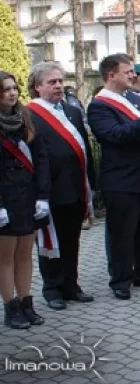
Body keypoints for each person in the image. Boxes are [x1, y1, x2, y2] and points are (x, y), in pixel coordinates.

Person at [88, 54, 140, 300]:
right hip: (121, 181)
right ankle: (121, 280)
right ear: (111, 75)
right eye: (128, 72)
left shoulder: (133, 99)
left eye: (133, 71)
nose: (134, 75)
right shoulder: (99, 106)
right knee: (122, 234)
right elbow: (114, 135)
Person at [27, 62, 96, 311]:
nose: (59, 86)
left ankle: (71, 285)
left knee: (71, 240)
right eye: (52, 82)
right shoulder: (30, 115)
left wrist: (91, 184)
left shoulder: (73, 112)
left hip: (75, 188)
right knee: (50, 243)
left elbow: (85, 151)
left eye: (60, 81)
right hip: (49, 191)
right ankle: (52, 288)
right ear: (37, 86)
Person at [0, 71, 51, 329]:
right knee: (5, 257)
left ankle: (26, 302)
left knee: (25, 254)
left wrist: (42, 196)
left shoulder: (26, 118)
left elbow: (41, 159)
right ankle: (11, 308)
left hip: (28, 197)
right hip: (5, 199)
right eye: (5, 89)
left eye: (13, 88)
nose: (12, 93)